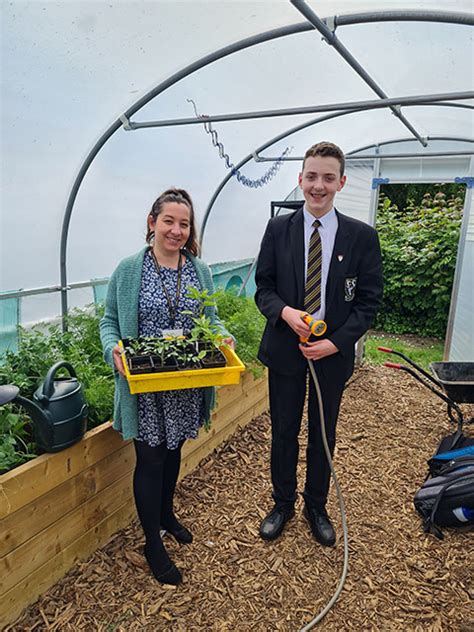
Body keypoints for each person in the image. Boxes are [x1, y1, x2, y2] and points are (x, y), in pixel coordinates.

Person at [100, 188, 233, 585]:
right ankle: (152, 543)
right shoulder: (128, 270)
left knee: (173, 450)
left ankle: (166, 513)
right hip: (144, 383)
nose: (176, 230)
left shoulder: (199, 271)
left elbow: (212, 317)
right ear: (152, 222)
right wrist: (114, 351)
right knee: (150, 459)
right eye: (169, 221)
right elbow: (109, 321)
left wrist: (222, 337)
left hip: (184, 380)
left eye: (184, 223)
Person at [255, 141, 383, 546]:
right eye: (312, 176)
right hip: (285, 349)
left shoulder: (360, 237)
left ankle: (316, 505)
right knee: (284, 429)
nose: (319, 186)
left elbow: (368, 302)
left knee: (323, 431)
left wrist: (337, 343)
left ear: (341, 182)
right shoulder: (279, 229)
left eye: (328, 177)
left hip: (330, 356)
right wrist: (286, 314)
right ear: (300, 179)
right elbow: (264, 288)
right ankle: (282, 504)